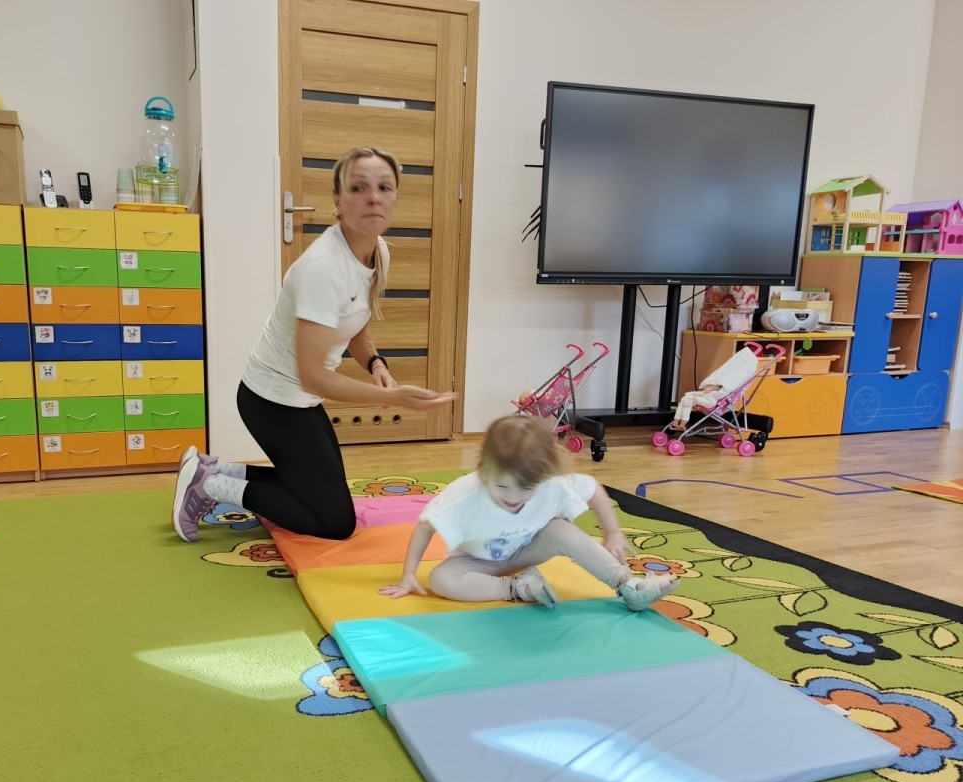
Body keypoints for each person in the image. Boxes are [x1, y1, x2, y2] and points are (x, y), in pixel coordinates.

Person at [172, 145, 456, 542]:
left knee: (317, 494)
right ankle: (209, 487)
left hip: (299, 401)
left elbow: (355, 326)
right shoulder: (323, 268)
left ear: (395, 197)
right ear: (337, 200)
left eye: (384, 187)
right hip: (272, 402)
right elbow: (314, 377)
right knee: (334, 522)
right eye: (358, 187)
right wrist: (394, 398)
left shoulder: (376, 252)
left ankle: (214, 470)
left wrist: (377, 365)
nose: (373, 197)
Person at [378, 415, 679, 612]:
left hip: (527, 550)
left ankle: (628, 586)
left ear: (542, 477)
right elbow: (426, 525)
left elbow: (594, 489)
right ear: (485, 471)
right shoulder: (466, 493)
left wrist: (612, 532)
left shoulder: (552, 484)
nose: (513, 498)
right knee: (441, 579)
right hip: (475, 562)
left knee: (561, 530)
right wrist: (408, 575)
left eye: (525, 489)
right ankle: (518, 588)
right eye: (502, 487)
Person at [669, 346, 761, 432]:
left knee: (688, 400)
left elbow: (723, 390)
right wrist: (710, 388)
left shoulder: (732, 383)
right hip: (709, 398)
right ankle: (676, 422)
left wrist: (711, 390)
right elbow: (718, 383)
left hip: (714, 402)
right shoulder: (726, 378)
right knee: (684, 400)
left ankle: (683, 423)